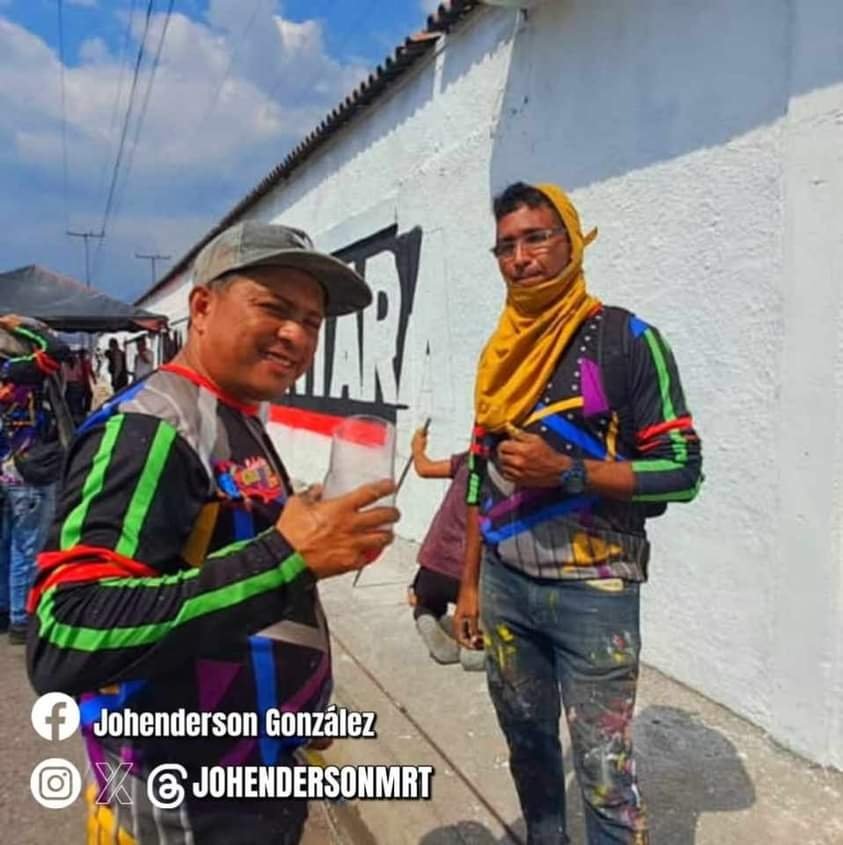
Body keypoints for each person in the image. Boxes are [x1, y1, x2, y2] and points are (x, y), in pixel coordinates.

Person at [27, 222, 400, 844]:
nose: (297, 335)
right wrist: (286, 555)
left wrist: (301, 706)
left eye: (312, 320)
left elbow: (227, 571)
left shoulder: (232, 414)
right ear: (202, 307)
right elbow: (69, 630)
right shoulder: (150, 431)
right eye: (275, 309)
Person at [454, 182, 703, 845]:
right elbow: (481, 469)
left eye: (536, 236)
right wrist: (469, 583)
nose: (520, 257)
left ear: (571, 240)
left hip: (595, 594)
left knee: (602, 773)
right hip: (506, 586)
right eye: (505, 244)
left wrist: (570, 471)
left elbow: (681, 468)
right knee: (529, 748)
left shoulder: (627, 337)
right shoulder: (499, 351)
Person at [0, 314, 68, 643]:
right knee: (28, 545)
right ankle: (21, 619)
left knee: (8, 542)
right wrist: (22, 324)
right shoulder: (17, 370)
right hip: (30, 469)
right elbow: (57, 349)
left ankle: (4, 609)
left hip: (7, 468)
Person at [407, 426, 482, 670]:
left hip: (433, 565)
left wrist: (417, 448)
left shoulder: (465, 461)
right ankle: (473, 647)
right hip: (470, 577)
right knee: (487, 617)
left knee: (425, 601)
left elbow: (423, 468)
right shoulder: (510, 473)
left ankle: (427, 616)